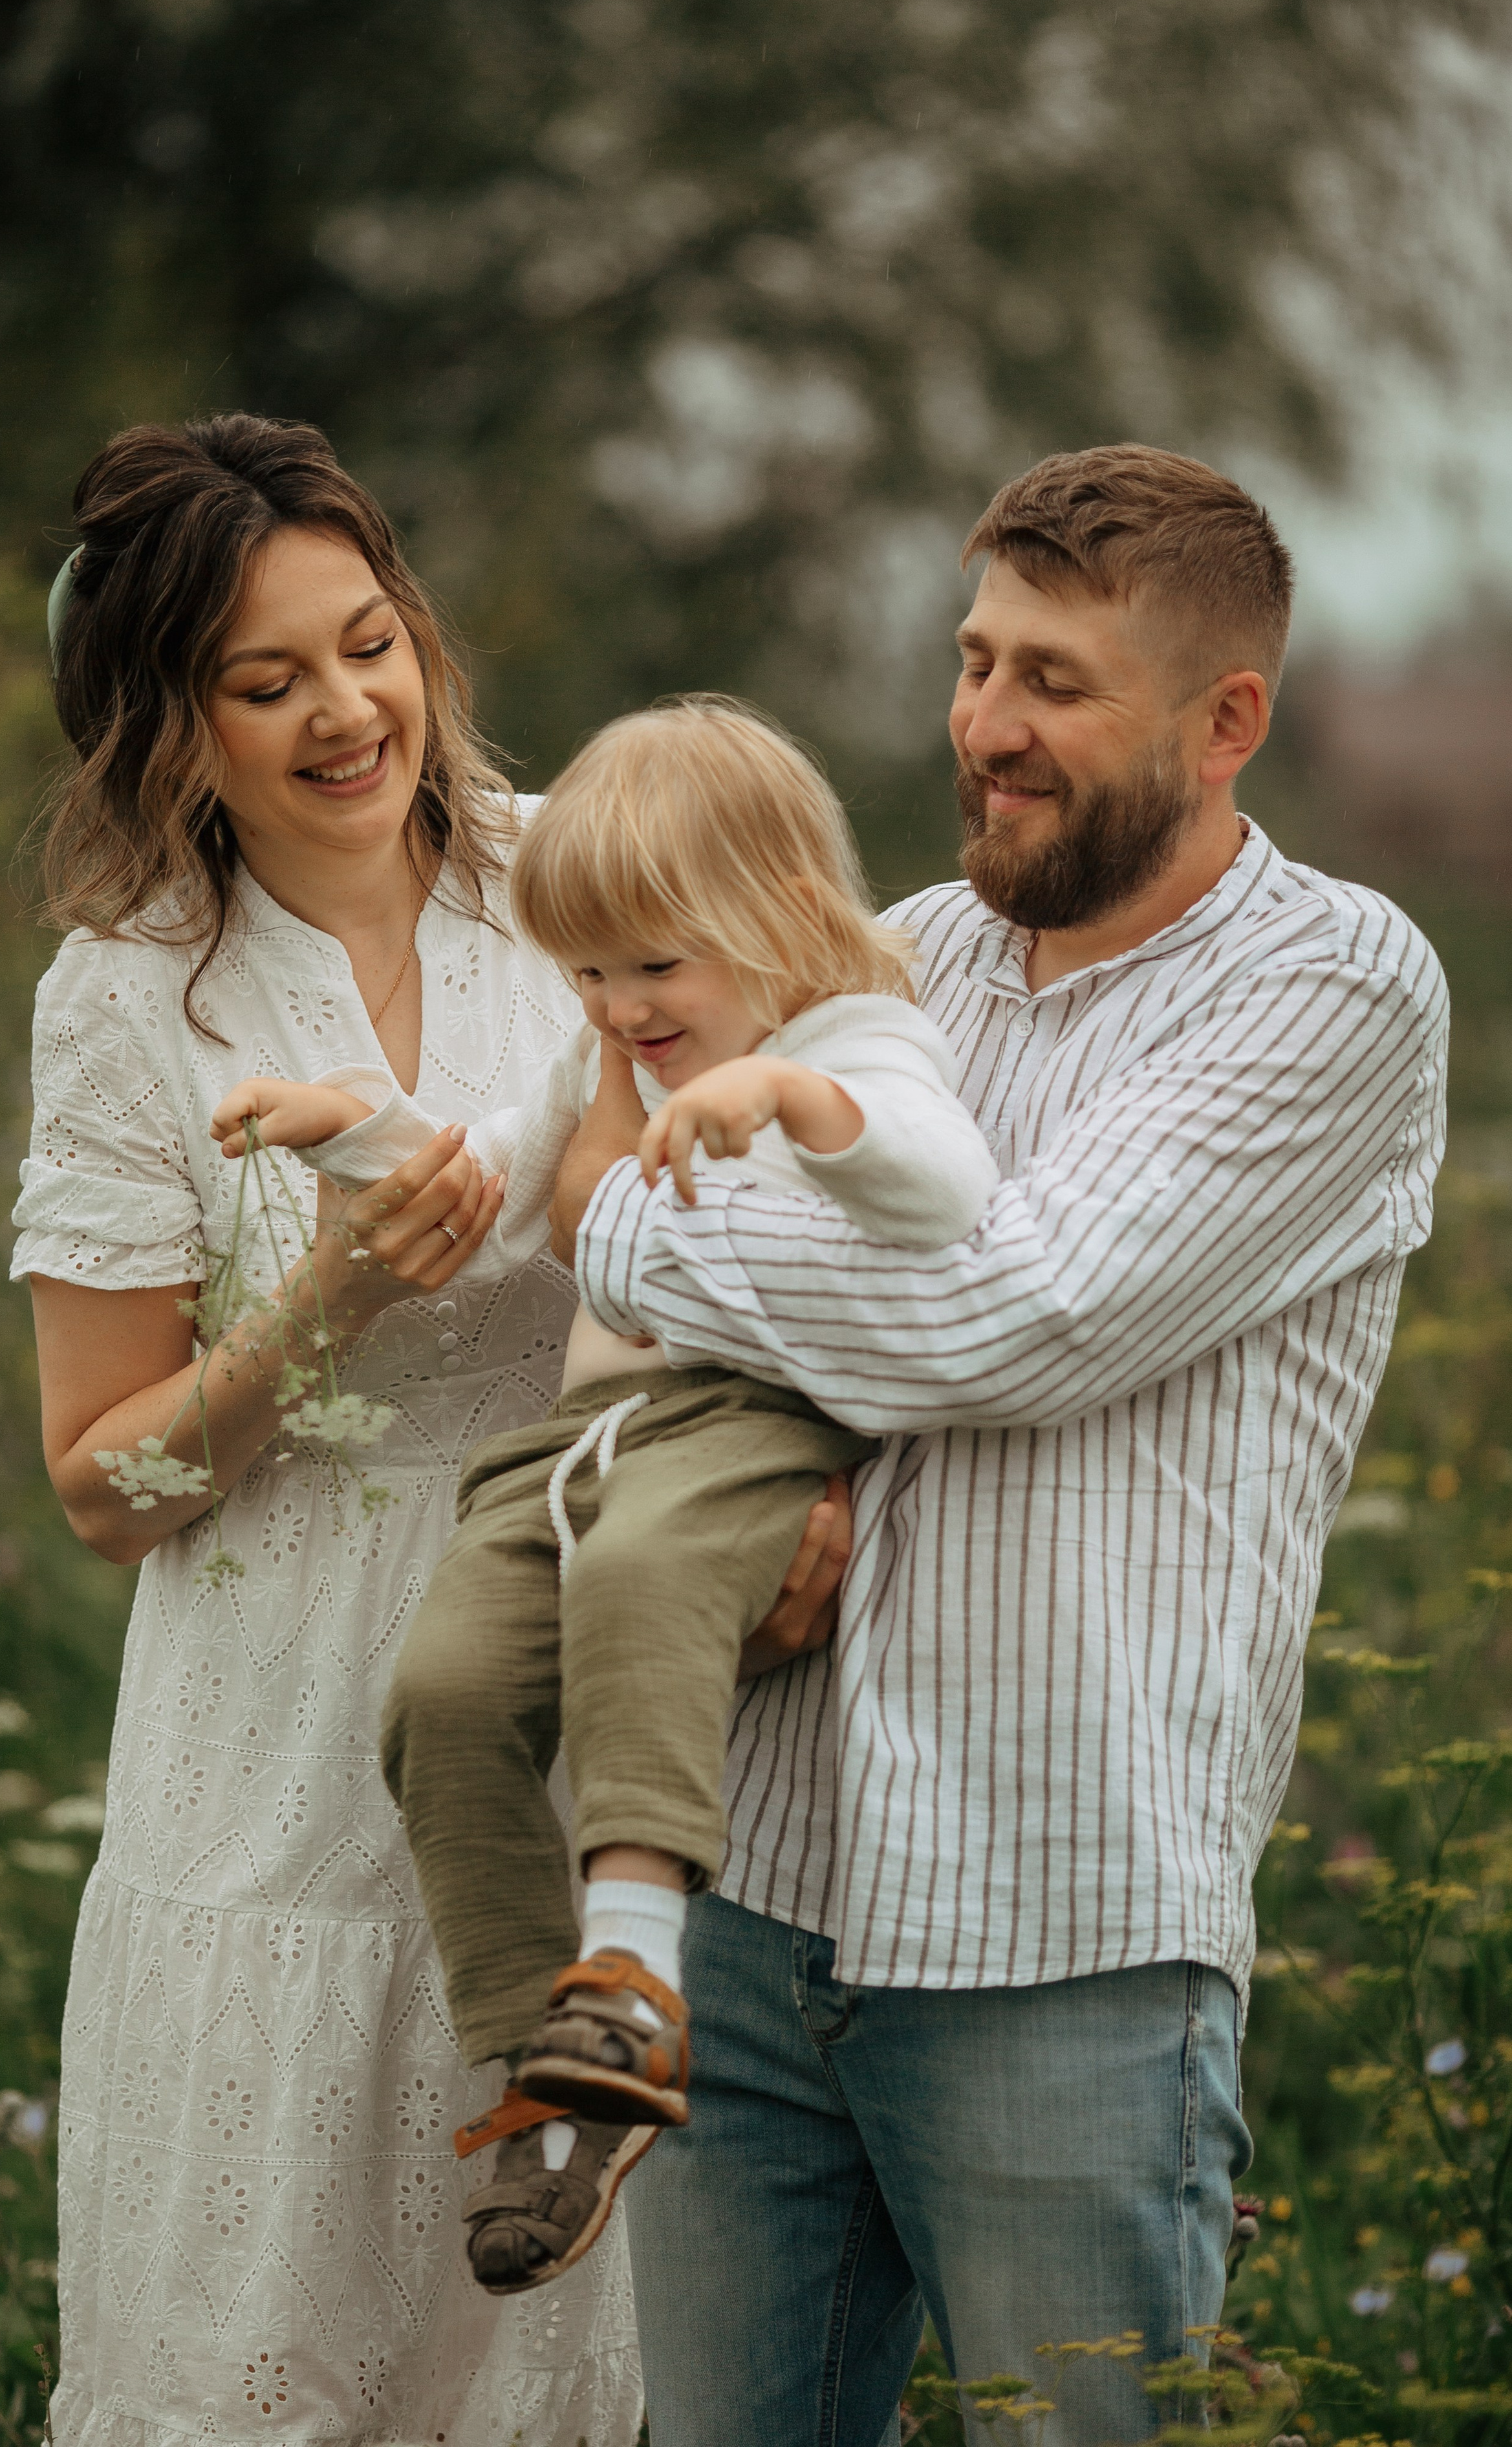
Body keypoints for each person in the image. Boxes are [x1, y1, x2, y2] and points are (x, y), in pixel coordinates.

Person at [552, 446, 1450, 2445]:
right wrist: (656, 1234)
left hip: (1063, 1934)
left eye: (1053, 679)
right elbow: (626, 1233)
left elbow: (1014, 1315)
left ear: (1227, 724)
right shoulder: (903, 959)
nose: (984, 727)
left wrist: (643, 1221)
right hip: (754, 1889)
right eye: (974, 663)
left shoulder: (1339, 983)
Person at [15, 409, 687, 2447]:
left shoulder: (578, 872)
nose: (346, 711)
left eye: (370, 641)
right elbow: (102, 1486)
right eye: (267, 678)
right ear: (169, 724)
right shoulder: (130, 999)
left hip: (563, 1727)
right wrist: (334, 1291)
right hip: (267, 1788)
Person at [208, 699, 1000, 2296]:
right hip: (573, 1446)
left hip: (739, 1430)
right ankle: (549, 2073)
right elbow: (494, 1185)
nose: (619, 1006)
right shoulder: (608, 1055)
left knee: (641, 1581)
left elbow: (945, 1181)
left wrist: (787, 1103)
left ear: (775, 919)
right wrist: (350, 1125)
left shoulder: (852, 1038)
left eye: (654, 967)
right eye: (586, 971)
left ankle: (635, 1971)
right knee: (438, 1689)